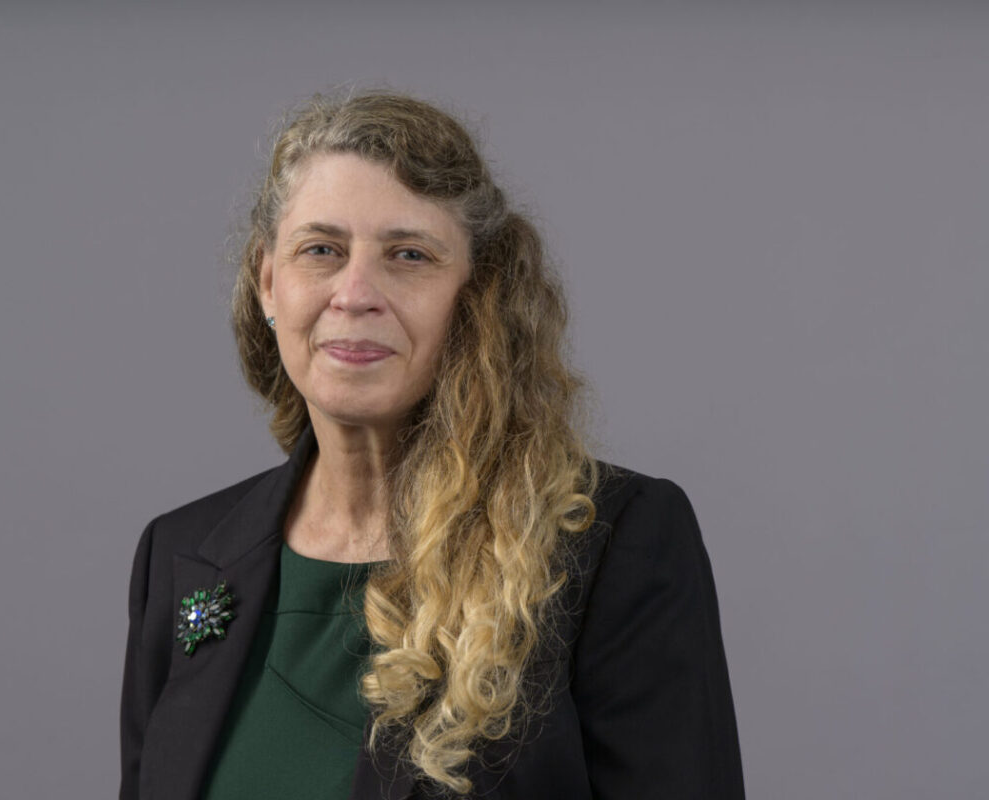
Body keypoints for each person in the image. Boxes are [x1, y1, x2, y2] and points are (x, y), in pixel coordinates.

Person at [119, 90, 745, 800]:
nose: (355, 293)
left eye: (408, 255)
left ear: (477, 296)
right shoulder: (183, 554)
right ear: (269, 281)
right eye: (320, 250)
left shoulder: (611, 544)